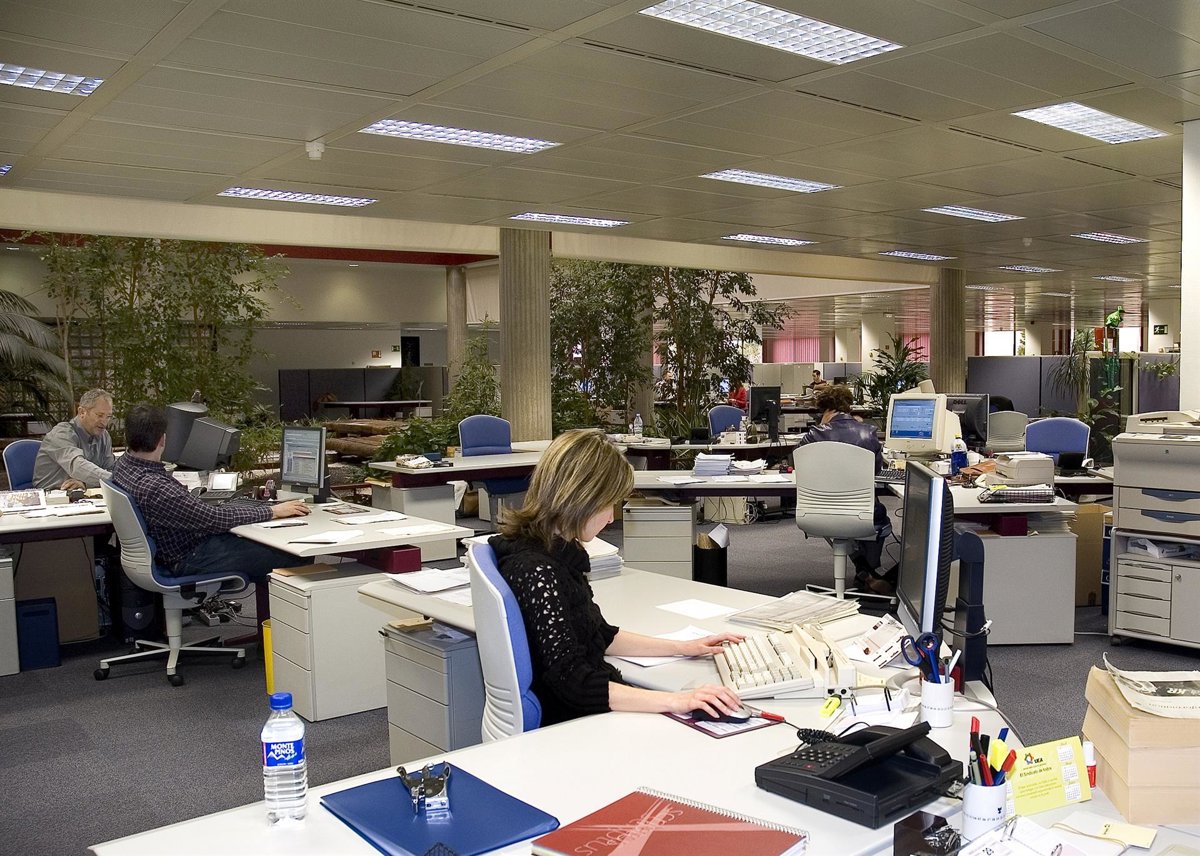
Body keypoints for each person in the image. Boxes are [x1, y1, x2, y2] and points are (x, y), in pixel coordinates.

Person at [490, 429, 745, 726]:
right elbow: (573, 682)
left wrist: (683, 648)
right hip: (575, 723)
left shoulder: (556, 551)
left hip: (590, 707)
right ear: (581, 497)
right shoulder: (538, 571)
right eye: (608, 504)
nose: (611, 517)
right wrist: (676, 700)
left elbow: (598, 633)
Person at [112, 404, 312, 580]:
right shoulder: (157, 488)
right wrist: (271, 511)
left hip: (168, 552)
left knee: (255, 542)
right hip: (187, 557)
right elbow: (214, 518)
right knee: (293, 554)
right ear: (162, 440)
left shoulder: (123, 467)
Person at [796, 385, 892, 594]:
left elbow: (800, 466)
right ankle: (868, 570)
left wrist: (820, 427)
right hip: (861, 513)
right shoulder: (868, 433)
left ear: (827, 410)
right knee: (877, 514)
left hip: (817, 513)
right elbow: (876, 471)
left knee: (842, 522)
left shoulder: (813, 435)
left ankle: (864, 570)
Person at [33, 388, 118, 491]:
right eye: (100, 415)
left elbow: (111, 468)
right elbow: (77, 467)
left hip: (83, 494)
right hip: (51, 494)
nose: (104, 422)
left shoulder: (104, 436)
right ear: (82, 412)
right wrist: (117, 480)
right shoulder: (61, 434)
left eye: (108, 417)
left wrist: (85, 484)